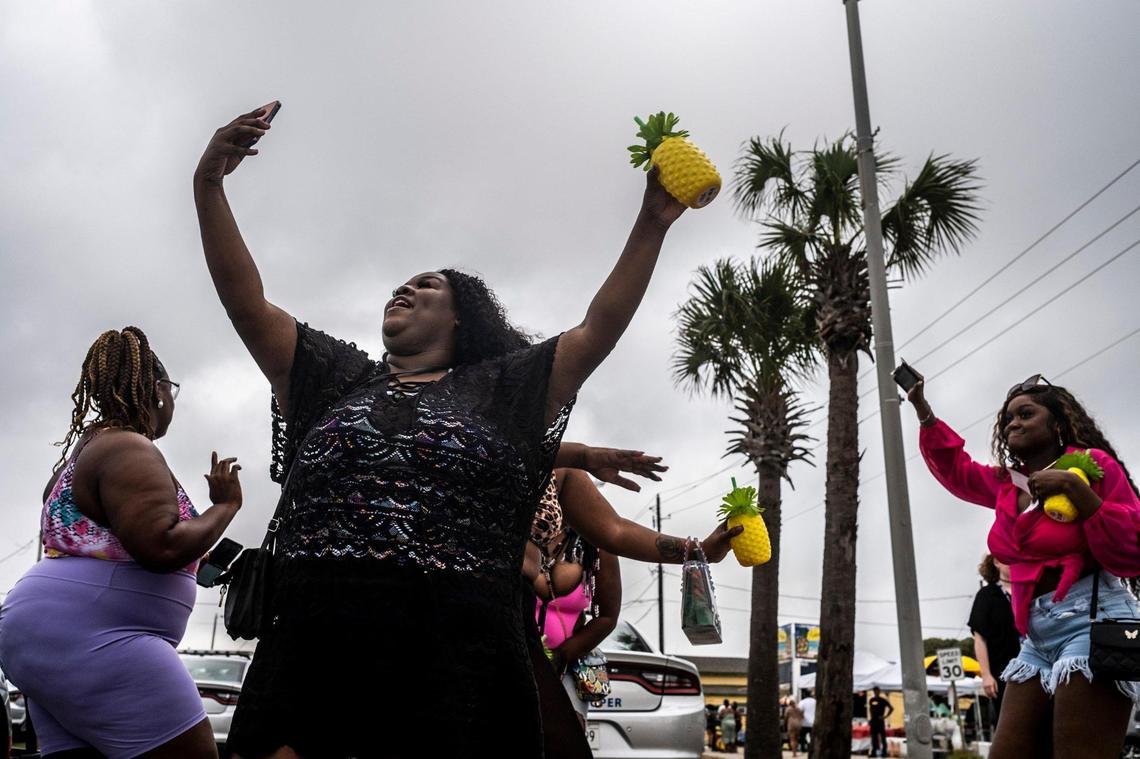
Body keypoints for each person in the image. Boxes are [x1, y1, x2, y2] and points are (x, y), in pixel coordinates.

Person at [193, 104, 707, 757]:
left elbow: (595, 330)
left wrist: (651, 222)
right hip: (314, 657)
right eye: (402, 282)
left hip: (454, 668)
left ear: (462, 318)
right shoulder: (333, 377)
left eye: (427, 284)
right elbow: (247, 301)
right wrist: (208, 184)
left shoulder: (504, 390)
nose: (404, 288)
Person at [0, 327, 243, 759]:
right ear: (159, 391)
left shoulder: (89, 449)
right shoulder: (129, 448)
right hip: (97, 638)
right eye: (173, 390)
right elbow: (161, 547)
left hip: (51, 636)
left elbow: (115, 541)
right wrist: (224, 508)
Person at [909, 372, 1140, 759]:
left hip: (1091, 621)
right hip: (1036, 635)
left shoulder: (1091, 466)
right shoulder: (1007, 484)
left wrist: (1076, 490)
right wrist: (924, 412)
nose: (1012, 423)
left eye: (1025, 414)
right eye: (1007, 419)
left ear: (1057, 423)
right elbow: (956, 471)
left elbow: (1131, 549)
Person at [523, 468, 738, 759]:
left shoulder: (592, 544)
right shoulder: (503, 519)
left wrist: (561, 656)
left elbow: (607, 614)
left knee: (563, 737)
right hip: (509, 660)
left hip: (568, 668)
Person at [969, 553, 1019, 734]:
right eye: (1008, 559)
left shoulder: (1029, 590)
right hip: (1002, 672)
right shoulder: (987, 595)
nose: (1012, 564)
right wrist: (986, 674)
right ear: (996, 562)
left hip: (1034, 668)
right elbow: (979, 638)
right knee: (1009, 727)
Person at [867, 686, 893, 757]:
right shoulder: (871, 700)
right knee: (873, 737)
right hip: (873, 721)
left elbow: (891, 708)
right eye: (875, 691)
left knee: (882, 737)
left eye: (877, 691)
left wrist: (885, 716)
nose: (876, 692)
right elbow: (871, 710)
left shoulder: (883, 700)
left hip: (880, 721)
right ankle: (874, 752)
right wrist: (870, 719)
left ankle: (884, 752)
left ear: (879, 692)